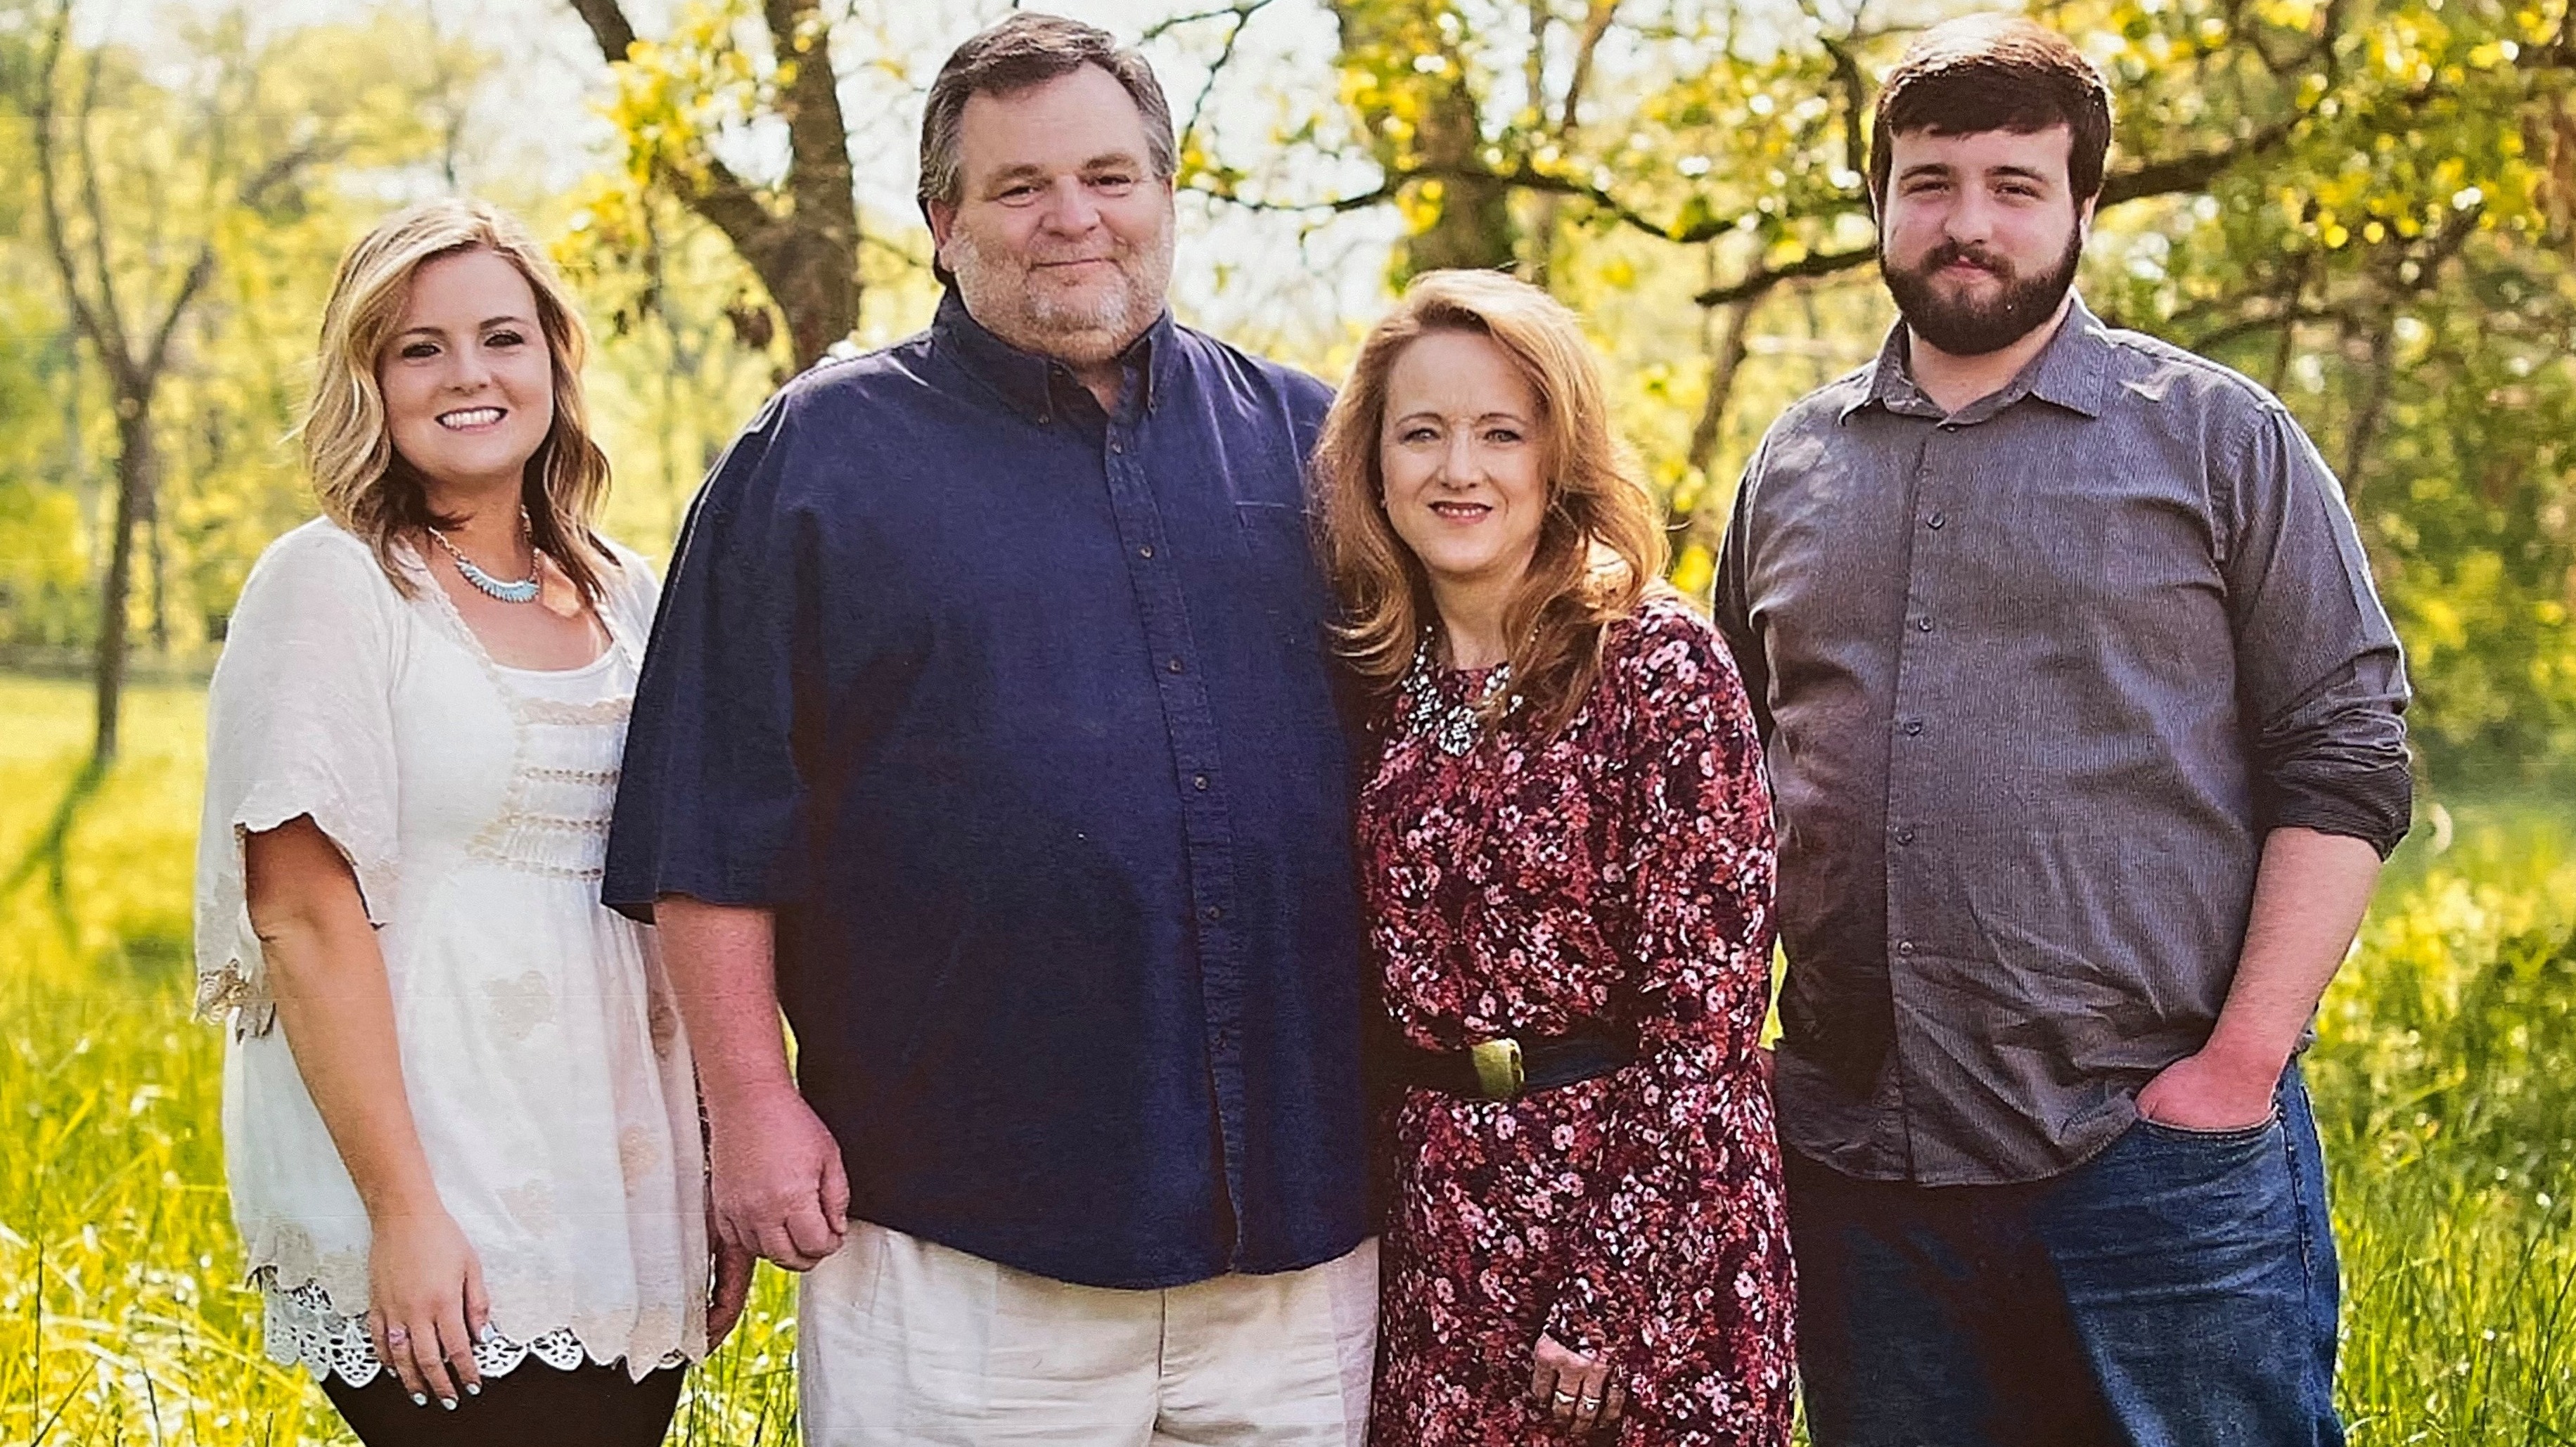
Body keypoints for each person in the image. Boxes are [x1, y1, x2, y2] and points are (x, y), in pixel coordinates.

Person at [603, 14, 1375, 1444]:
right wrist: (751, 1109)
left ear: (1164, 194)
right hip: (955, 1241)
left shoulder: (1318, 446)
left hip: (1297, 1239)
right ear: (943, 220)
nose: (1071, 218)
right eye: (1020, 188)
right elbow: (706, 827)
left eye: (1108, 175)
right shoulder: (812, 461)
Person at [1712, 16, 2411, 1446]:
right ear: (1877, 199)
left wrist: (2236, 1069)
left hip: (2150, 1165)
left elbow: (2345, 755)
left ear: (2081, 205)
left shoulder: (2216, 440)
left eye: (2013, 186)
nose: (1966, 224)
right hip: (1859, 1175)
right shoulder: (1788, 465)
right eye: (1929, 181)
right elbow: (1718, 779)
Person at [193, 199, 746, 1446]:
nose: (469, 375)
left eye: (503, 336)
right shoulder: (331, 583)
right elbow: (299, 910)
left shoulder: (628, 591)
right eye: (418, 348)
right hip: (434, 1179)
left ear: (554, 356)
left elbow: (678, 888)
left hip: (617, 1177)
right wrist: (404, 1211)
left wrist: (710, 1162)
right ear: (367, 379)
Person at [1313, 269, 1796, 1447]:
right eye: (1421, 433)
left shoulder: (1658, 665)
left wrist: (1607, 1295)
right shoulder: (1379, 682)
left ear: (1557, 456)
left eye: (1499, 433)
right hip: (1441, 1233)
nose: (1458, 469)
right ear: (1374, 464)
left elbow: (1707, 1027)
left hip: (1645, 1237)